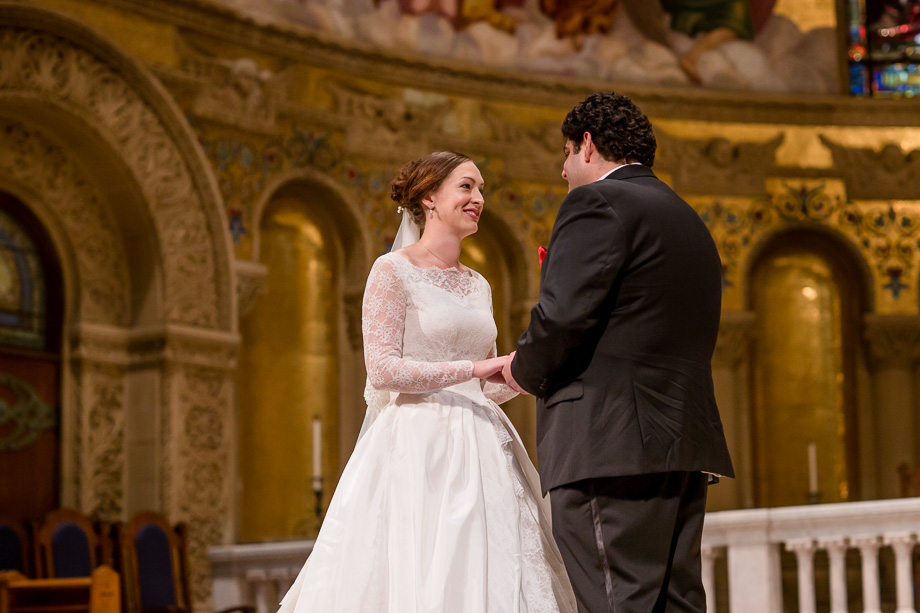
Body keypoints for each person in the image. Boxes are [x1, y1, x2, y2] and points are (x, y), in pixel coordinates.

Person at [278, 151, 576, 613]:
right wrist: (475, 368)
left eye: (481, 190)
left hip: (481, 448)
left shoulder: (478, 283)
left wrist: (520, 375)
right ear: (429, 198)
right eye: (466, 187)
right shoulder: (392, 270)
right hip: (416, 446)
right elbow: (383, 370)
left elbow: (486, 385)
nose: (478, 198)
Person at [503, 92, 734, 612]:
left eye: (565, 154)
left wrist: (520, 370)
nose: (563, 171)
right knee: (675, 603)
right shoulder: (687, 218)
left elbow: (562, 316)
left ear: (587, 145)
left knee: (615, 603)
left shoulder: (596, 203)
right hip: (680, 439)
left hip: (609, 444)